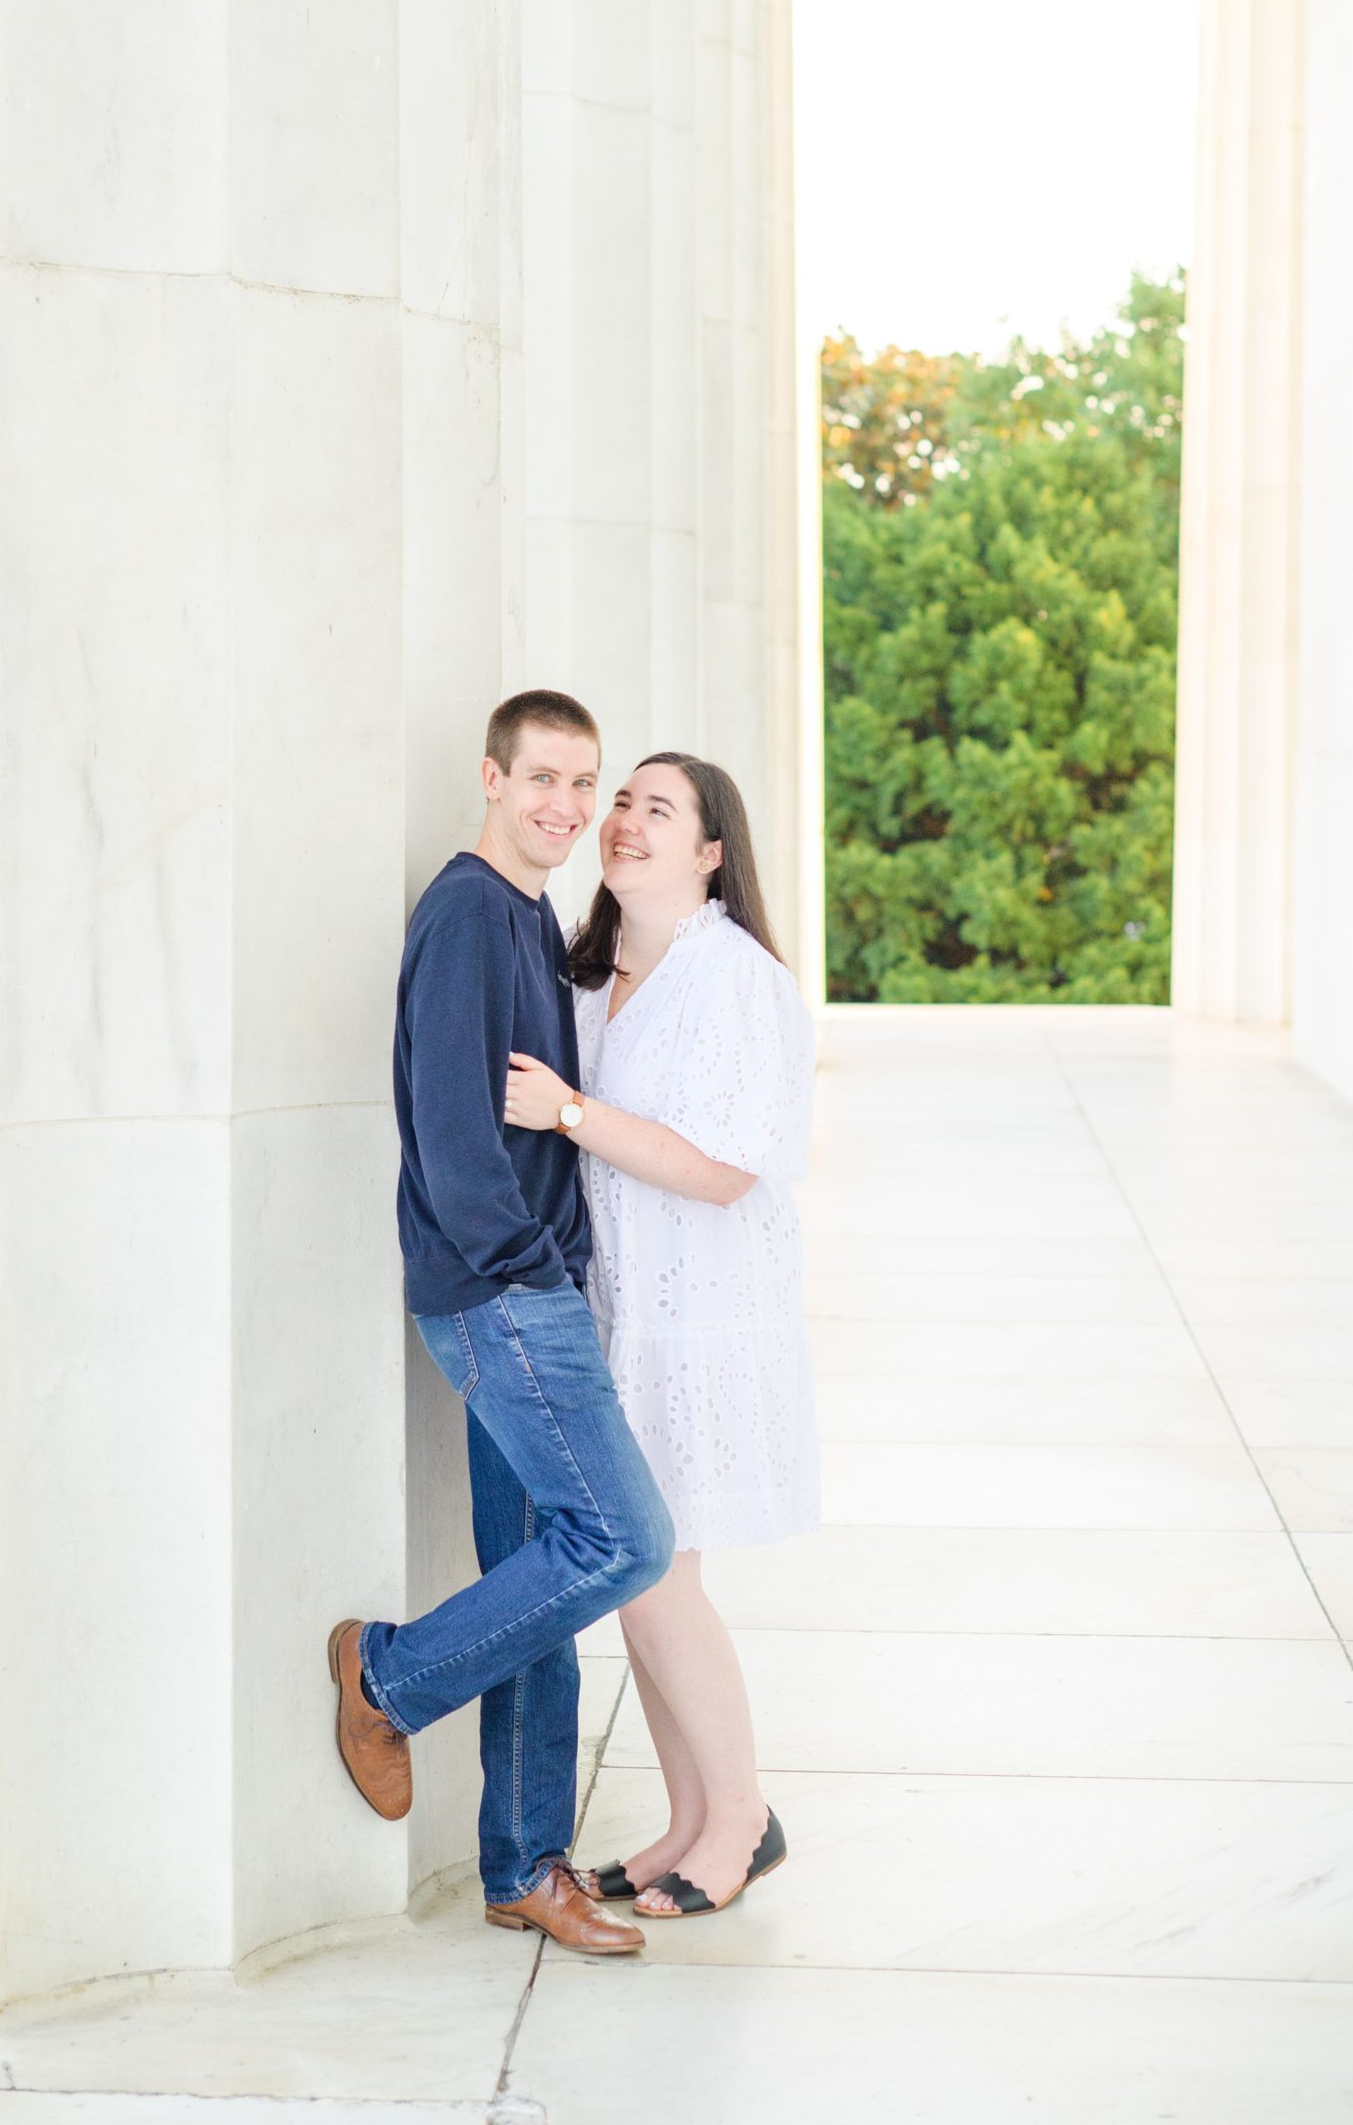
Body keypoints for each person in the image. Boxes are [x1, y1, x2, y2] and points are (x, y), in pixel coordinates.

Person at [329, 691, 675, 1959]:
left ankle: (521, 1863)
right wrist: (531, 1267)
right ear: (490, 774)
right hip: (502, 1294)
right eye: (542, 778)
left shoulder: (528, 913)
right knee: (623, 1539)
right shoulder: (471, 911)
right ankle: (386, 1676)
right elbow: (451, 1130)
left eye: (583, 784)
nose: (566, 807)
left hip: (532, 1286)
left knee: (541, 1576)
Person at [502, 752, 818, 1919]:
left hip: (704, 1318)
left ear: (709, 853)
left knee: (660, 1573)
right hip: (620, 1315)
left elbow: (728, 1169)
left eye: (658, 808)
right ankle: (688, 1821)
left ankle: (739, 1815)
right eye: (620, 802)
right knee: (639, 1572)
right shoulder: (594, 974)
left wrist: (572, 1112)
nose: (626, 821)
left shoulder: (732, 979)